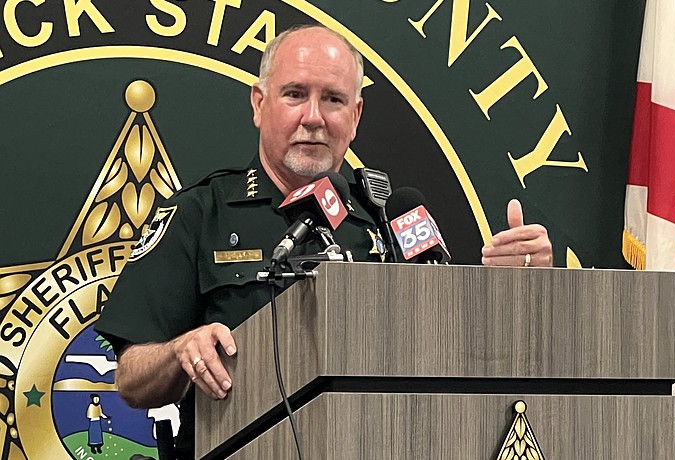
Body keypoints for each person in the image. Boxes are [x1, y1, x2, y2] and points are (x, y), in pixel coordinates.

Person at [95, 24, 552, 411]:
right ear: (259, 104)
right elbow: (131, 378)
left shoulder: (390, 217)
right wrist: (181, 350)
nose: (313, 117)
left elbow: (457, 354)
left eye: (333, 99)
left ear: (355, 116)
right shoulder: (200, 213)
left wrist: (515, 291)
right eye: (295, 94)